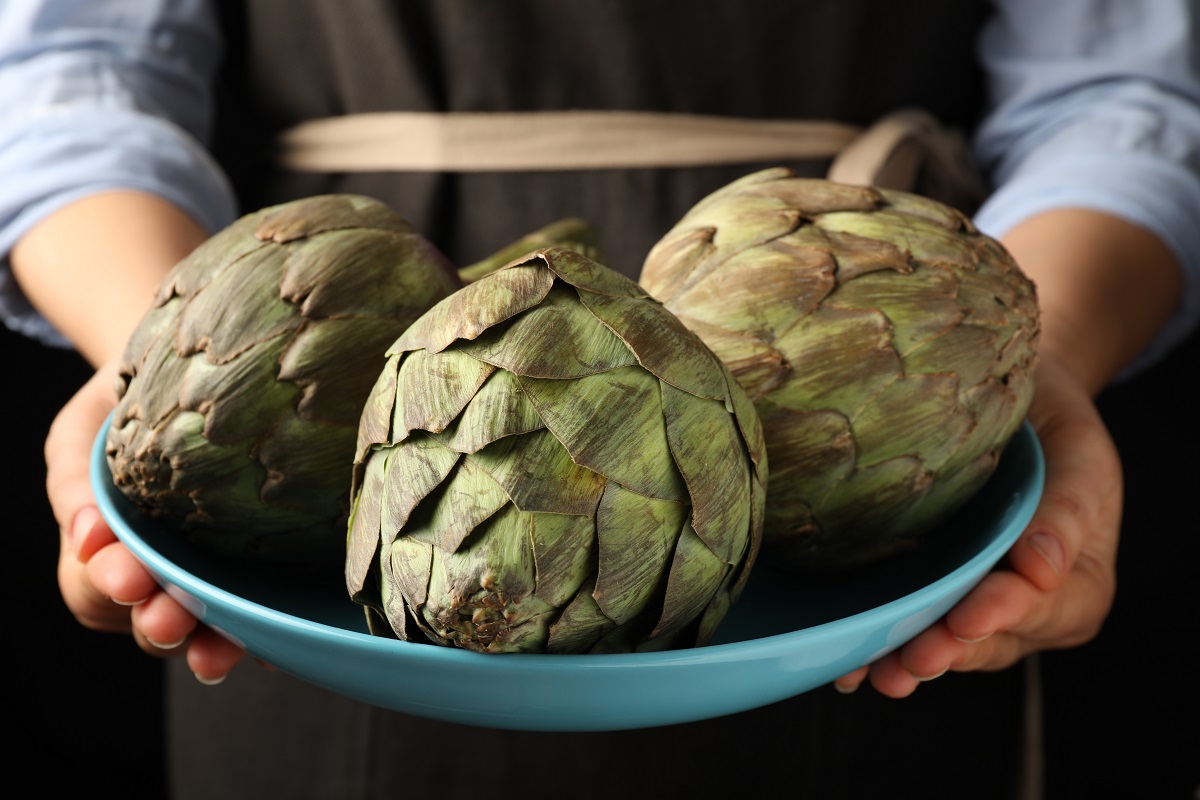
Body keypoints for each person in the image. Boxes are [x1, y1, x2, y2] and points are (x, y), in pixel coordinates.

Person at [2, 1, 1197, 798]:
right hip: (317, 524)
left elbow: (1130, 88)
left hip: (850, 607)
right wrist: (172, 374)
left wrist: (1030, 371)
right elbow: (65, 70)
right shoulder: (330, 376)